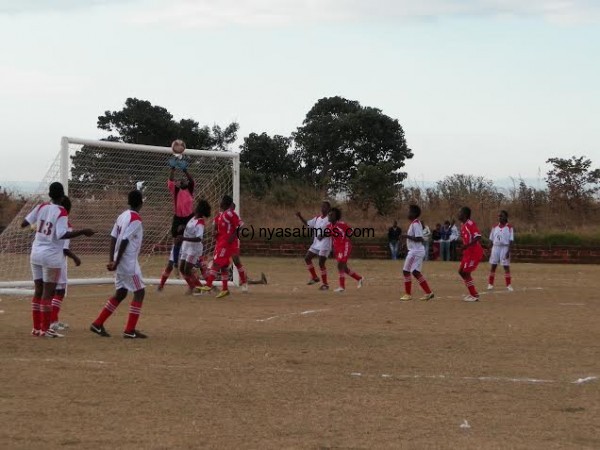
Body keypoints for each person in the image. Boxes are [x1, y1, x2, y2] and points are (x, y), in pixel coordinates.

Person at [21, 182, 95, 337]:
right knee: (48, 293)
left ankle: (37, 328)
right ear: (62, 196)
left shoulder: (41, 207)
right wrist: (83, 232)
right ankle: (46, 329)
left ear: (50, 194)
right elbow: (62, 234)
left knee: (38, 291)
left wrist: (36, 226)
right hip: (51, 255)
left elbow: (24, 223)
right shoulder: (61, 212)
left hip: (35, 253)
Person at [90, 190, 147, 338]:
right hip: (128, 262)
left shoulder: (122, 216)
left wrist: (112, 259)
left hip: (119, 260)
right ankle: (129, 330)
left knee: (121, 293)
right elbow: (125, 240)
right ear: (141, 203)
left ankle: (97, 323)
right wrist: (116, 261)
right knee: (140, 292)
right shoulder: (136, 218)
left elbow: (113, 237)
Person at [158, 140, 195, 289]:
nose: (184, 180)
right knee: (176, 242)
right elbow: (171, 181)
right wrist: (173, 168)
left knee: (192, 244)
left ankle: (196, 274)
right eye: (182, 180)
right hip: (178, 218)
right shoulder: (176, 191)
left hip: (189, 218)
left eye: (185, 179)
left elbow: (191, 180)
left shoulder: (190, 189)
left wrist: (185, 170)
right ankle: (175, 264)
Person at [49, 196, 83, 332]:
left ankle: (53, 320)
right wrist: (75, 258)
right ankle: (52, 322)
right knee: (60, 291)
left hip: (45, 257)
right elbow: (64, 249)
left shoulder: (50, 220)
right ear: (68, 209)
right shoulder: (66, 225)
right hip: (57, 260)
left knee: (50, 291)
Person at [196, 195, 240, 299]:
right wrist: (216, 233)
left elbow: (239, 226)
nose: (219, 202)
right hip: (220, 242)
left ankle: (209, 284)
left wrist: (232, 237)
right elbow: (219, 229)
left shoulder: (229, 214)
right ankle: (225, 289)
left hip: (225, 243)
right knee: (224, 266)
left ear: (225, 204)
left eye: (221, 201)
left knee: (216, 263)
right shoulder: (221, 215)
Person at [400, 205, 435, 301]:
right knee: (415, 272)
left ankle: (408, 294)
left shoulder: (415, 224)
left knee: (406, 271)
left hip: (415, 251)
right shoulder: (415, 223)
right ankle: (428, 292)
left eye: (409, 211)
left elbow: (419, 238)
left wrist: (406, 236)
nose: (408, 213)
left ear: (414, 214)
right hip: (416, 250)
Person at [325, 207, 364, 292]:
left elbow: (350, 232)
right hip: (337, 248)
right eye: (329, 215)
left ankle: (342, 287)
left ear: (336, 217)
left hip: (344, 246)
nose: (329, 216)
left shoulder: (341, 224)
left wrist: (350, 234)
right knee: (344, 268)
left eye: (331, 215)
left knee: (340, 265)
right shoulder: (328, 226)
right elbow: (329, 237)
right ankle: (359, 278)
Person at [177, 200, 211, 294]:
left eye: (197, 206)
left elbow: (199, 238)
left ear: (200, 209)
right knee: (182, 269)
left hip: (193, 249)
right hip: (186, 247)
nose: (195, 207)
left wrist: (183, 238)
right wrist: (183, 227)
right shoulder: (193, 218)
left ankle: (199, 287)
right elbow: (191, 229)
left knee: (187, 269)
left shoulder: (200, 223)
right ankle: (192, 286)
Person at [296, 201, 332, 290]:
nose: (322, 208)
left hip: (325, 243)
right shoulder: (317, 218)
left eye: (324, 207)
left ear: (328, 209)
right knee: (307, 258)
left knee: (321, 263)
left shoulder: (330, 219)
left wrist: (323, 235)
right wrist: (300, 216)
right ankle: (315, 277)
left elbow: (332, 230)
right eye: (322, 206)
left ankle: (325, 284)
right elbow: (308, 224)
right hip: (316, 243)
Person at [457, 206, 484, 302]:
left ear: (464, 215)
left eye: (459, 212)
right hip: (467, 252)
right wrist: (463, 247)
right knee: (461, 272)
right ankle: (473, 293)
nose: (458, 214)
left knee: (466, 272)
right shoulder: (462, 225)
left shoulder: (470, 224)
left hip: (474, 252)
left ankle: (474, 295)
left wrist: (467, 245)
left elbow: (478, 237)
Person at [487, 210, 514, 292]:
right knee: (493, 266)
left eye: (501, 216)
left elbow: (511, 240)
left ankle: (508, 285)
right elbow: (491, 239)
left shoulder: (509, 227)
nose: (499, 217)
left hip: (505, 248)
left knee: (506, 267)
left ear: (506, 217)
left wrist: (508, 251)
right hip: (495, 247)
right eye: (498, 216)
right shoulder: (494, 227)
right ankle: (490, 284)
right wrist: (489, 249)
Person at [229, 202, 250, 292]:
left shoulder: (234, 216)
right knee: (218, 262)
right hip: (222, 242)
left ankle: (244, 282)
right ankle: (212, 285)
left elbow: (241, 225)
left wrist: (234, 235)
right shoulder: (221, 215)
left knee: (236, 261)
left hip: (233, 241)